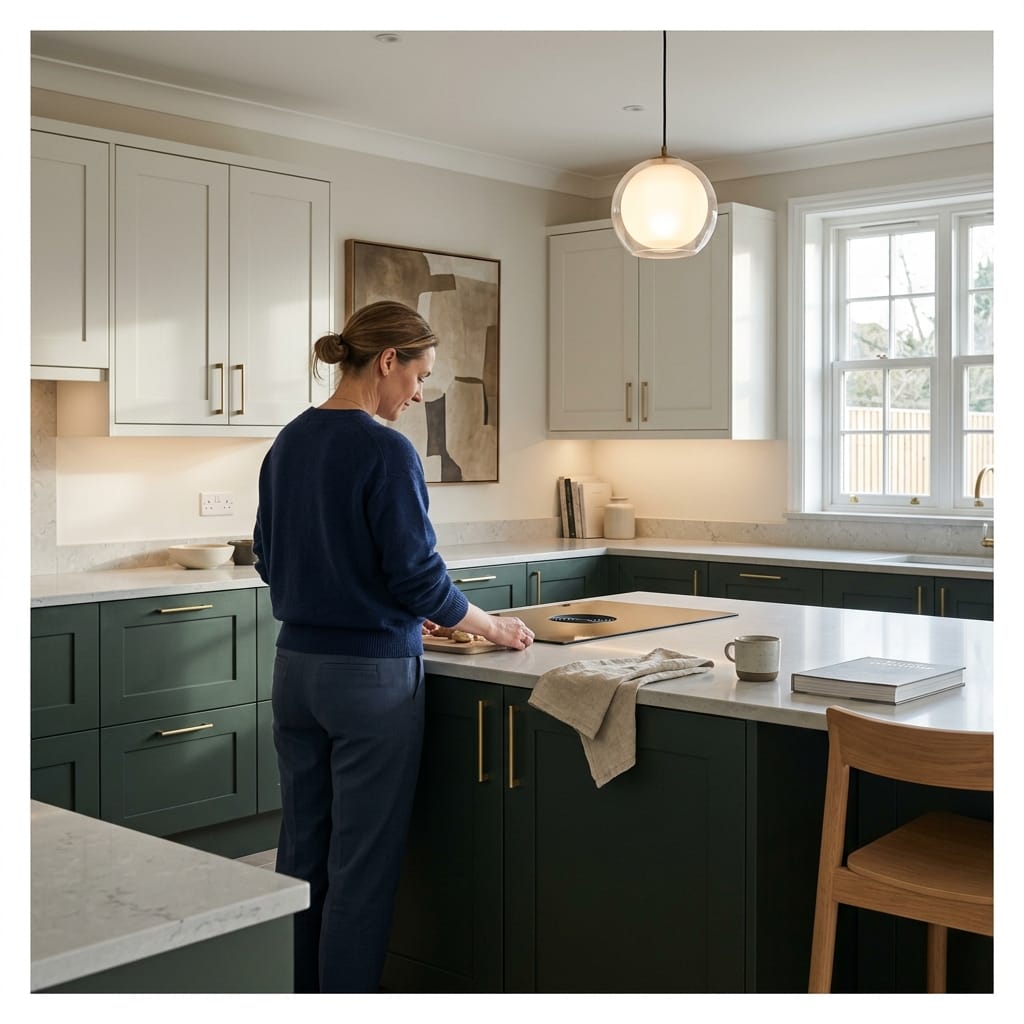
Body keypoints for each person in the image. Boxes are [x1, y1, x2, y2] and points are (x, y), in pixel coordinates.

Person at [252, 300, 534, 993]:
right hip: (369, 683)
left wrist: (376, 600)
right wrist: (491, 626)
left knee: (302, 856)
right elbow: (417, 575)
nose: (417, 394)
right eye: (418, 376)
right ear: (387, 361)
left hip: (295, 672)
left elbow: (267, 557)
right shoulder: (384, 449)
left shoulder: (288, 441)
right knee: (362, 868)